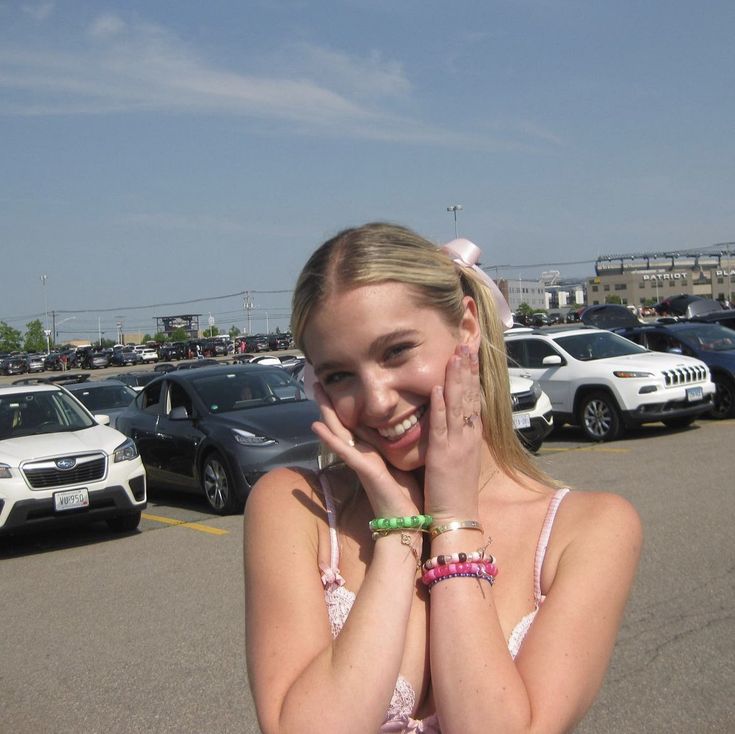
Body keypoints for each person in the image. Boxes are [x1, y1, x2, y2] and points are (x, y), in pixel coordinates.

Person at [244, 222, 642, 734]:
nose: (378, 400)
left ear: (468, 327)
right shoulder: (294, 508)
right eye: (340, 374)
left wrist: (453, 522)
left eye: (396, 351)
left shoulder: (590, 530)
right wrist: (398, 534)